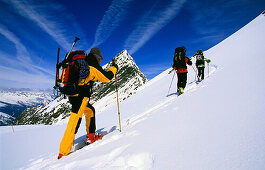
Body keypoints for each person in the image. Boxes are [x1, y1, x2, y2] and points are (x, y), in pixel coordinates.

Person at [58, 47, 118, 159]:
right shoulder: (92, 67)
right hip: (80, 97)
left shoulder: (84, 63)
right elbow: (107, 77)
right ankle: (64, 151)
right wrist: (114, 68)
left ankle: (91, 136)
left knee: (90, 111)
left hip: (73, 95)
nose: (101, 61)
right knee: (74, 121)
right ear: (97, 57)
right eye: (100, 59)